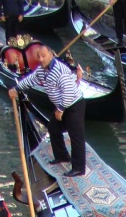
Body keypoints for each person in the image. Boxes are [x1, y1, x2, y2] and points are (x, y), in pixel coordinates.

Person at [8, 46, 86, 177]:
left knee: (76, 136)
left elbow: (69, 92)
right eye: (38, 57)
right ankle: (62, 156)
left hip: (73, 104)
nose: (41, 59)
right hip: (62, 104)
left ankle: (78, 168)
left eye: (44, 56)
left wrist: (60, 109)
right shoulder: (42, 70)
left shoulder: (60, 71)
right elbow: (31, 80)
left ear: (51, 55)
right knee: (53, 127)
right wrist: (17, 88)